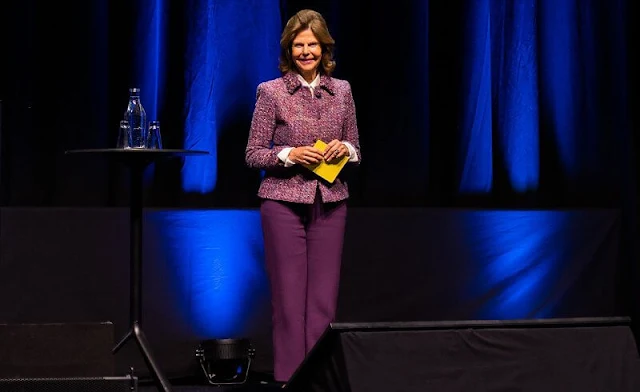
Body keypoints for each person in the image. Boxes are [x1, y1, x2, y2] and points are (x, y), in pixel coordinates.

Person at [245, 9, 361, 384]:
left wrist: (343, 148)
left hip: (330, 201)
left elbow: (356, 147)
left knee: (323, 301)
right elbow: (253, 153)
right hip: (283, 202)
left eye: (312, 44)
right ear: (289, 49)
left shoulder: (341, 89)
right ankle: (290, 380)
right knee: (290, 301)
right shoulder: (271, 92)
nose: (306, 51)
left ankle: (320, 378)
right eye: (299, 45)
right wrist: (289, 154)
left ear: (324, 47)